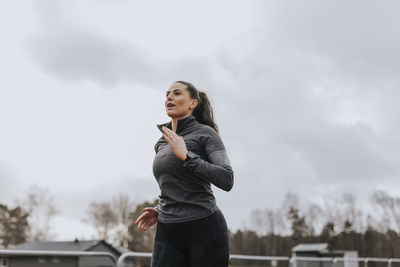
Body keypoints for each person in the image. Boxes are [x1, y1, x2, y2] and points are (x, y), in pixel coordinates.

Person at [135, 80, 234, 267]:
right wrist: (158, 209)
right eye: (167, 94)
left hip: (204, 227)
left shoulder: (206, 134)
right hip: (168, 230)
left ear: (193, 103)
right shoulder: (162, 142)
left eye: (177, 93)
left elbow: (227, 179)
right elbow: (178, 184)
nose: (169, 97)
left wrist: (187, 157)